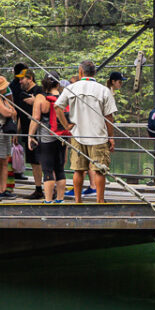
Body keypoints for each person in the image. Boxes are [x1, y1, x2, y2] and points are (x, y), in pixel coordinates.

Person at [56, 60, 117, 203]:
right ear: (94, 72)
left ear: (80, 71)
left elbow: (58, 107)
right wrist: (111, 137)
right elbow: (109, 117)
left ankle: (78, 200)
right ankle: (100, 200)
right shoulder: (103, 90)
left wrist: (66, 125)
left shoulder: (71, 88)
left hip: (78, 134)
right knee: (100, 170)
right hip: (99, 136)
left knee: (78, 170)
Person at [30, 76, 69, 202]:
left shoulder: (40, 98)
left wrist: (31, 135)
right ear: (58, 84)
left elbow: (36, 118)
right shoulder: (64, 96)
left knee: (47, 169)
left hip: (46, 137)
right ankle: (60, 199)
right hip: (62, 136)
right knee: (60, 169)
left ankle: (47, 200)